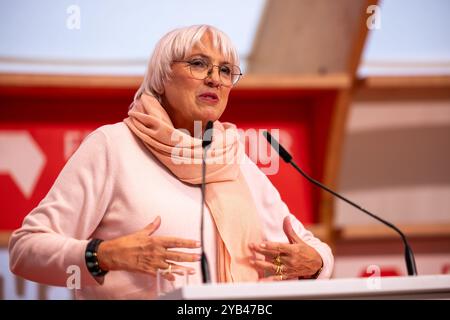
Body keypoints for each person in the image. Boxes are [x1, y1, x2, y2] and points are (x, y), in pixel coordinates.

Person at [9, 24, 333, 299]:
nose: (215, 80)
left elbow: (311, 248)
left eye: (225, 70)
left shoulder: (234, 160)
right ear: (162, 76)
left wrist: (314, 264)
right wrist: (102, 255)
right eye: (198, 64)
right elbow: (25, 249)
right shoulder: (113, 146)